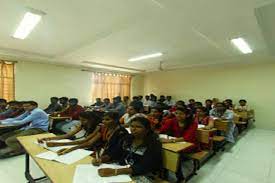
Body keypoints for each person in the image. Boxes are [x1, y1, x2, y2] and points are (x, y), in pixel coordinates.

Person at [94, 117, 162, 182]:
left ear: (147, 129)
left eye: (138, 127)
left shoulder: (153, 143)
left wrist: (115, 172)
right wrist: (101, 159)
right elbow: (115, 152)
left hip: (141, 173)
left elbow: (145, 166)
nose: (133, 129)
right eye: (132, 126)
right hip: (122, 168)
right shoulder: (127, 138)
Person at [38, 111, 102, 155]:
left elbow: (88, 142)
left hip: (94, 147)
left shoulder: (98, 127)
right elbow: (68, 135)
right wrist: (48, 138)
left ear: (92, 119)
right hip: (85, 145)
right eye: (80, 120)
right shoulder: (83, 124)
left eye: (84, 120)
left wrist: (57, 144)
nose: (81, 122)